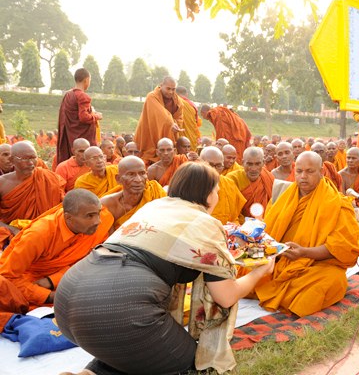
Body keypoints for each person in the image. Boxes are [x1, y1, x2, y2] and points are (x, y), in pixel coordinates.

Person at [54, 162, 274, 375]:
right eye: (217, 191)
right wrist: (259, 272)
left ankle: (89, 372)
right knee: (186, 360)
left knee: (127, 342)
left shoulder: (155, 205)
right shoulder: (204, 223)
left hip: (68, 300)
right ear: (208, 195)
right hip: (118, 305)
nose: (217, 196)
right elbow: (226, 296)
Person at [252, 151, 359, 317]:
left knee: (333, 280)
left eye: (310, 172)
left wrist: (304, 252)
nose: (303, 176)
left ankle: (287, 296)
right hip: (280, 260)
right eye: (299, 171)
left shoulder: (337, 203)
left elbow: (342, 247)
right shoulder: (284, 196)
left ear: (321, 172)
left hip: (316, 265)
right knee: (245, 266)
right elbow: (269, 231)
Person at [0, 189, 113, 330]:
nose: (98, 221)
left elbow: (90, 260)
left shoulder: (96, 226)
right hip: (32, 282)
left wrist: (51, 280)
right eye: (90, 216)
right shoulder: (39, 235)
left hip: (67, 278)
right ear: (69, 218)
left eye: (98, 213)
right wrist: (50, 296)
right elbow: (7, 276)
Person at [0, 142, 65, 241]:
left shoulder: (48, 178)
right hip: (15, 235)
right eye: (25, 159)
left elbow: (62, 209)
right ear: (12, 160)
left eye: (33, 158)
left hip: (48, 231)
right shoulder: (2, 183)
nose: (31, 163)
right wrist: (13, 230)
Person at [100, 156, 166, 231]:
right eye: (131, 174)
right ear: (118, 179)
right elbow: (108, 239)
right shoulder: (107, 204)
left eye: (142, 173)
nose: (138, 180)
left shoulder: (156, 194)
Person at [134, 76, 185, 165]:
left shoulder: (178, 101)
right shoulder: (152, 97)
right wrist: (171, 124)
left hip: (168, 135)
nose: (170, 92)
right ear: (161, 85)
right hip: (149, 132)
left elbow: (179, 118)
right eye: (168, 88)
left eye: (173, 89)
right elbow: (162, 115)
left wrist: (176, 124)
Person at [57, 68, 102, 165]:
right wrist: (96, 116)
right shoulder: (82, 96)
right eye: (89, 80)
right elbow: (83, 117)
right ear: (86, 80)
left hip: (70, 136)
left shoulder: (68, 94)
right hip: (83, 138)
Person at [199, 147, 246, 225]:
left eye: (218, 166)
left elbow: (234, 217)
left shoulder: (229, 184)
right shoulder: (192, 184)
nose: (214, 170)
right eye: (210, 165)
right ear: (200, 162)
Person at [227, 147, 274, 218]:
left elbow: (274, 206)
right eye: (249, 164)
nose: (253, 169)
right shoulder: (232, 179)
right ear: (243, 163)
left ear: (263, 163)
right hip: (241, 225)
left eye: (257, 164)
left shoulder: (268, 177)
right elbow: (230, 211)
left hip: (265, 222)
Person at [176, 86, 201, 152]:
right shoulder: (192, 105)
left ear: (176, 93)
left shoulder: (175, 101)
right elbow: (196, 122)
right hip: (191, 137)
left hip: (178, 135)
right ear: (186, 94)